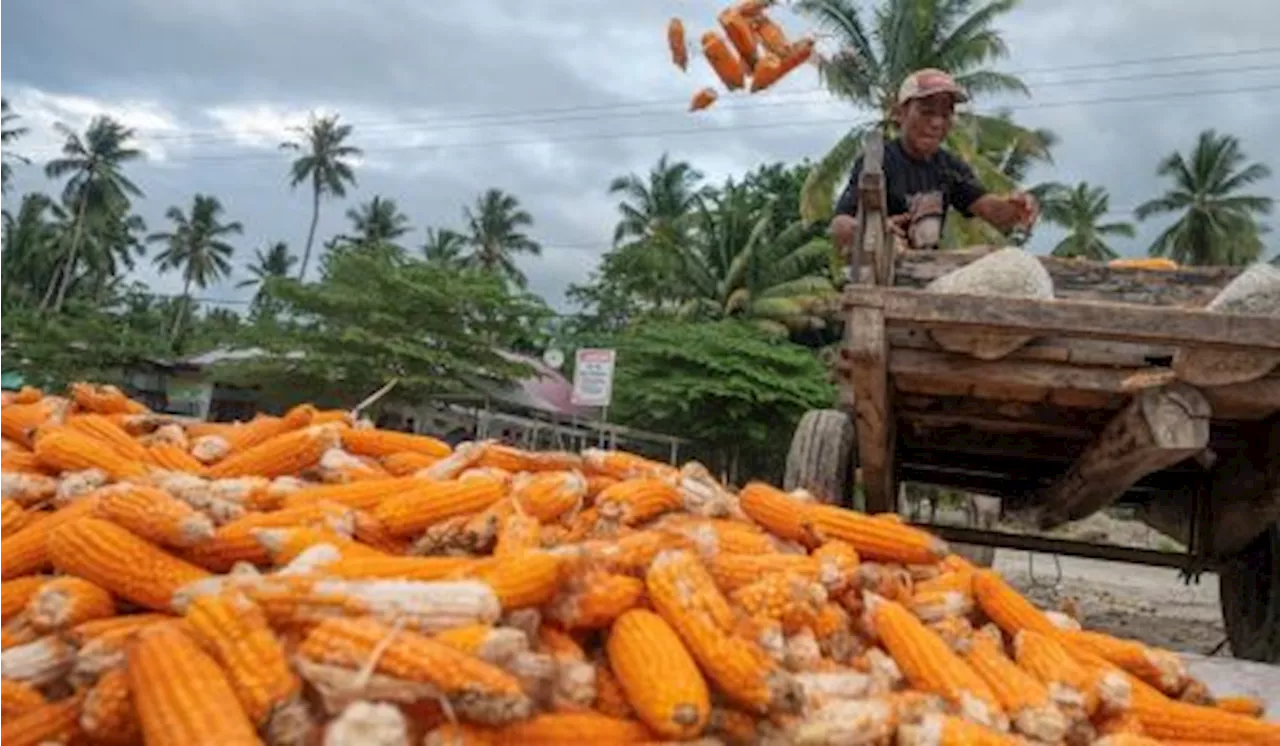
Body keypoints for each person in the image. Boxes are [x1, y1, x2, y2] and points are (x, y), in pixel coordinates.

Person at [830, 68, 1039, 253]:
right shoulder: (878, 161)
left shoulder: (949, 167)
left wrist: (1015, 209)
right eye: (926, 112)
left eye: (946, 115)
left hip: (925, 275)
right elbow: (839, 226)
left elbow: (989, 209)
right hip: (880, 277)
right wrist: (871, 231)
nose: (937, 123)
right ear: (901, 113)